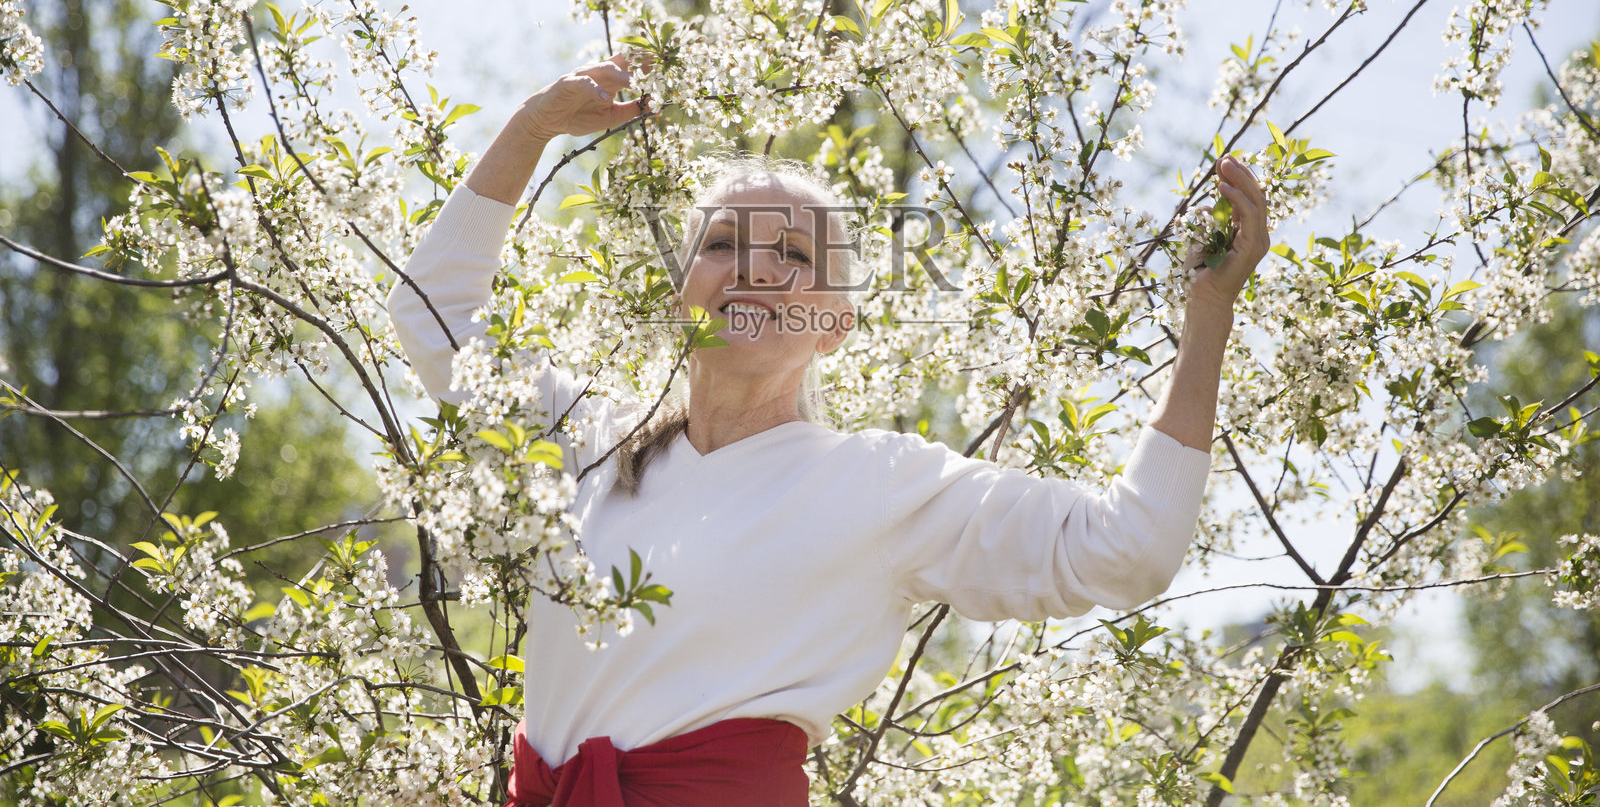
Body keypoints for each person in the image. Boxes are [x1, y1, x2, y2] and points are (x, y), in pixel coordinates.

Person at [387, 54, 1270, 807]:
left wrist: (1208, 318)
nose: (754, 270)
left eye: (795, 256)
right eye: (722, 244)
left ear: (835, 325)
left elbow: (1131, 549)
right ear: (680, 289)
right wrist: (532, 128)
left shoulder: (878, 485)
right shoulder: (584, 439)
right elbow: (433, 318)